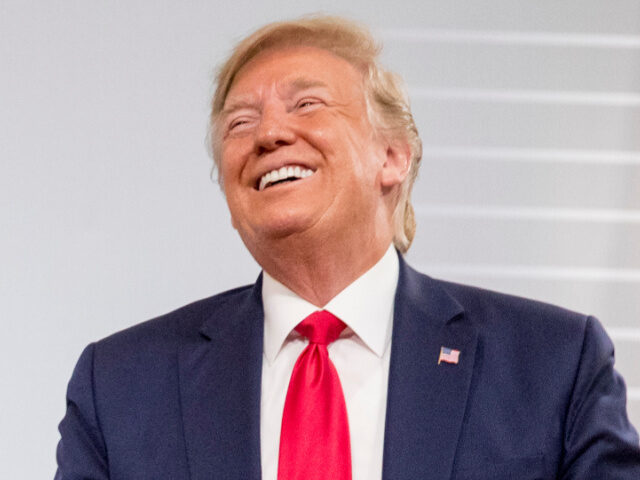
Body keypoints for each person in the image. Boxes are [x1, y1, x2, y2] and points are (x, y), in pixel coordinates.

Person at [55, 16, 640, 480]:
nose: (268, 134)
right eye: (239, 123)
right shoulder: (121, 386)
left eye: (306, 104)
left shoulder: (555, 364)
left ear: (392, 156)